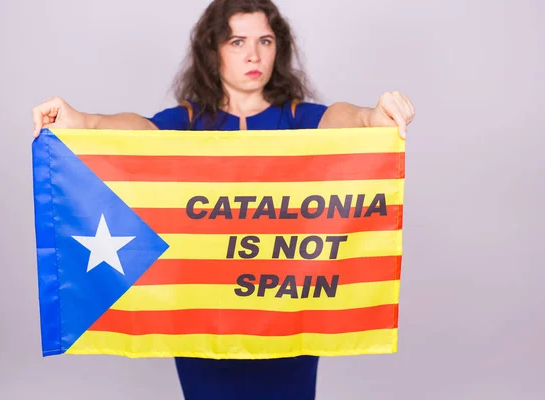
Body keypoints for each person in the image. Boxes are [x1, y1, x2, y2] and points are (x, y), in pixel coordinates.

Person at [31, 0, 415, 398]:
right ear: (212, 51)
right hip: (204, 317)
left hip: (285, 308)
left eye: (265, 41)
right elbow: (138, 129)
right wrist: (84, 122)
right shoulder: (189, 120)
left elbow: (340, 118)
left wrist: (374, 116)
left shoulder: (298, 117)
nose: (254, 54)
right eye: (237, 42)